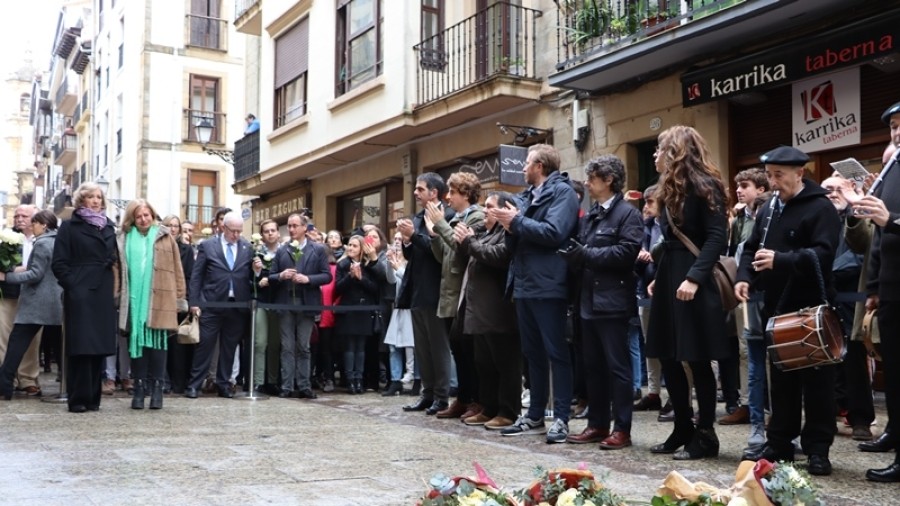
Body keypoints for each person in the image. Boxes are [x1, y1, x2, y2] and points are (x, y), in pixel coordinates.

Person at [736, 145, 840, 476]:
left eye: (779, 175)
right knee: (780, 380)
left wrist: (781, 260)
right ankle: (780, 441)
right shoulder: (769, 209)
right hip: (776, 307)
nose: (773, 182)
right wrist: (744, 278)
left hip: (811, 309)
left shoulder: (820, 207)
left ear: (800, 173)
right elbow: (751, 248)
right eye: (769, 175)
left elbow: (824, 254)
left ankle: (818, 449)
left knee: (818, 382)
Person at [645, 125, 730, 460]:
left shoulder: (705, 185)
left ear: (675, 151)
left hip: (693, 281)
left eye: (659, 148)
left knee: (696, 358)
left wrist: (694, 278)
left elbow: (715, 237)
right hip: (670, 277)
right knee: (668, 355)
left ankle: (706, 433)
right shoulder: (667, 188)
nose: (655, 155)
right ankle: (682, 427)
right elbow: (670, 240)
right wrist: (659, 274)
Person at [491, 143, 579, 444]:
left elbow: (555, 232)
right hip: (524, 283)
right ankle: (534, 415)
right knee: (532, 354)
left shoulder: (563, 193)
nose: (523, 168)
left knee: (557, 352)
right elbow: (517, 241)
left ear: (540, 165)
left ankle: (562, 418)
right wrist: (510, 226)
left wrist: (516, 222)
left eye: (527, 163)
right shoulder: (526, 196)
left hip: (549, 282)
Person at [560, 155, 644, 449]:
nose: (587, 183)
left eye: (593, 179)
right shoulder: (594, 214)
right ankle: (597, 424)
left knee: (618, 368)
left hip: (613, 302)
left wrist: (585, 256)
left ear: (609, 180)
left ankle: (622, 428)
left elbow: (626, 253)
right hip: (588, 301)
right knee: (592, 366)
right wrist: (573, 257)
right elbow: (584, 251)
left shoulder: (628, 214)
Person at [853, 102, 900, 483]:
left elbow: (889, 225)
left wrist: (892, 220)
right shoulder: (892, 169)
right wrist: (872, 286)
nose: (897, 133)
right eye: (894, 127)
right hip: (891, 285)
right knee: (894, 370)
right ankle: (895, 434)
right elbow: (878, 240)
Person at [453, 191, 520, 430]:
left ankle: (508, 411)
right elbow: (466, 257)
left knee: (505, 364)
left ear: (503, 209)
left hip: (499, 310)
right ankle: (489, 407)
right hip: (478, 310)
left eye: (490, 206)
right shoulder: (484, 233)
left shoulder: (507, 234)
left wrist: (470, 242)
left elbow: (499, 257)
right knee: (484, 363)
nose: (484, 210)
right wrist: (462, 241)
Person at [51, 182, 119, 413]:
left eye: (99, 197)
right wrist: (73, 286)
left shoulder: (109, 226)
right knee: (81, 345)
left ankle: (93, 398)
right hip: (80, 291)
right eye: (91, 197)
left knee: (98, 346)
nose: (96, 200)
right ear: (82, 200)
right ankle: (77, 398)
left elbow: (114, 255)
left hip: (102, 290)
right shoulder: (70, 226)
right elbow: (59, 263)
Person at [117, 200, 187, 410]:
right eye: (139, 216)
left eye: (147, 215)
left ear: (153, 215)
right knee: (137, 345)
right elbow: (117, 270)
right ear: (132, 219)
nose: (143, 219)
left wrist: (179, 299)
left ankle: (157, 390)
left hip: (161, 298)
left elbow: (178, 269)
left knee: (158, 346)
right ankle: (138, 389)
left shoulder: (166, 237)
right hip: (134, 302)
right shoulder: (124, 239)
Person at [426, 172, 485, 419]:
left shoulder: (477, 216)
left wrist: (440, 224)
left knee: (469, 351)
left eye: (452, 192)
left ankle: (475, 400)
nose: (448, 197)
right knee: (458, 350)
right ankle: (462, 398)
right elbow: (444, 256)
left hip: (466, 294)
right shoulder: (456, 218)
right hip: (451, 291)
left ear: (465, 193)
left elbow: (464, 249)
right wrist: (434, 234)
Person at [819, 175, 874, 441]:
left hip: (851, 296)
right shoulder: (820, 219)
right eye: (826, 189)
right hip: (825, 296)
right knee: (826, 357)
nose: (831, 194)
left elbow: (862, 254)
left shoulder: (858, 214)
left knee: (853, 358)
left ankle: (860, 418)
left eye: (836, 189)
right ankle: (830, 413)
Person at [398, 173, 455, 416]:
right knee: (422, 348)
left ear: (434, 192)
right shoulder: (418, 217)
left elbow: (438, 253)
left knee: (438, 347)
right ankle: (427, 393)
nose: (415, 192)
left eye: (420, 189)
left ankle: (442, 397)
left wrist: (415, 237)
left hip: (437, 290)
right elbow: (413, 255)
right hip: (417, 291)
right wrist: (407, 241)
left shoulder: (448, 217)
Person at [185, 211, 259, 399]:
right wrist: (194, 302)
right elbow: (197, 277)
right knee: (205, 346)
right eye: (233, 230)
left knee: (229, 347)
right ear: (222, 228)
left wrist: (257, 271)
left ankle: (224, 384)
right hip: (212, 304)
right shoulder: (208, 246)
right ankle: (194, 384)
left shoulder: (247, 248)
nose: (236, 235)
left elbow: (251, 277)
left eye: (239, 231)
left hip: (237, 306)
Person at [0, 211, 62, 400]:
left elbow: (35, 274)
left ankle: (5, 385)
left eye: (34, 223)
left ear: (44, 225)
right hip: (54, 302)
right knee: (59, 347)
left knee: (16, 343)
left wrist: (7, 277)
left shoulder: (42, 243)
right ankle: (71, 385)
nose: (31, 227)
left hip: (36, 303)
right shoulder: (57, 241)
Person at [268, 213, 331, 399]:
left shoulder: (317, 250)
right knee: (287, 346)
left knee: (304, 346)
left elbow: (327, 275)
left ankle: (304, 385)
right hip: (286, 302)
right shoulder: (282, 250)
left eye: (295, 225)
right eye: (289, 226)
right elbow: (271, 276)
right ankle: (287, 386)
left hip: (307, 303)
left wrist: (308, 279)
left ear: (305, 228)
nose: (291, 229)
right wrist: (281, 275)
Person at [0, 205, 42, 397]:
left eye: (24, 215)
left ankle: (27, 379)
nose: (19, 219)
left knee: (32, 339)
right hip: (9, 293)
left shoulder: (43, 238)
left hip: (34, 294)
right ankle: (5, 377)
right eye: (16, 215)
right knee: (4, 337)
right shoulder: (5, 238)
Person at [334, 235, 382, 394]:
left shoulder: (369, 265)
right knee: (349, 347)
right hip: (347, 310)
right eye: (349, 245)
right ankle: (350, 380)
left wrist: (361, 278)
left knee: (361, 347)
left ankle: (359, 379)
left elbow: (375, 289)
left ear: (361, 249)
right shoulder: (342, 265)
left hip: (364, 310)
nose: (350, 248)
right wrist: (350, 276)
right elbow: (338, 288)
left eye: (354, 246)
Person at [161, 215, 195, 394]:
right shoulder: (157, 246)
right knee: (162, 342)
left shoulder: (186, 250)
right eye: (169, 225)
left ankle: (178, 382)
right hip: (160, 299)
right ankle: (163, 380)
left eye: (176, 226)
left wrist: (185, 300)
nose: (173, 229)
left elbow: (189, 276)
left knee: (178, 344)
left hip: (179, 301)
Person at [252, 219, 282, 395]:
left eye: (273, 230)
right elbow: (250, 280)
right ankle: (258, 380)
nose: (270, 233)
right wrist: (257, 272)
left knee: (274, 344)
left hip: (278, 301)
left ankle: (272, 380)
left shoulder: (286, 252)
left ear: (278, 232)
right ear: (262, 235)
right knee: (260, 342)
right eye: (266, 231)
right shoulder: (256, 253)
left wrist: (271, 278)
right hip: (261, 301)